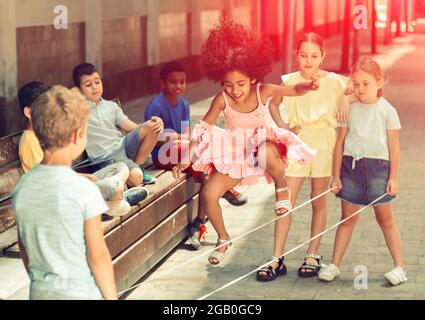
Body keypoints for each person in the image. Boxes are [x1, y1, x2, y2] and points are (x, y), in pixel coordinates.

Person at [173, 18, 318, 265]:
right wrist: (185, 159)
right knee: (209, 194)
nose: (235, 90)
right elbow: (203, 130)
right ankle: (223, 238)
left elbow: (293, 91)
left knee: (264, 151)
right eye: (228, 85)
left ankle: (281, 189)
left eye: (240, 84)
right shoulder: (222, 99)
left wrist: (307, 85)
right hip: (238, 152)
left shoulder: (264, 91)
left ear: (252, 78)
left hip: (265, 146)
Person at [257, 33, 350, 281]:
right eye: (304, 55)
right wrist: (283, 127)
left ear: (322, 57)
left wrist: (346, 100)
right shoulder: (289, 81)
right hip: (298, 143)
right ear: (296, 54)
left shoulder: (335, 81)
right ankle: (276, 257)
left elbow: (364, 88)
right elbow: (273, 104)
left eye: (314, 56)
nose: (309, 61)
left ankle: (313, 254)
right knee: (286, 200)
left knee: (318, 201)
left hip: (324, 143)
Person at [12, 86, 117, 299]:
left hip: (40, 292)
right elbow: (98, 257)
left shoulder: (21, 188)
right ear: (77, 135)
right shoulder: (84, 190)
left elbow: (25, 249)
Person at [318, 57, 407, 286]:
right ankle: (334, 265)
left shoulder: (388, 111)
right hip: (352, 168)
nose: (360, 89)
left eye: (366, 84)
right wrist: (336, 175)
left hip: (379, 170)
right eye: (356, 84)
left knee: (385, 220)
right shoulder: (348, 107)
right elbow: (339, 145)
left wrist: (393, 177)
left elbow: (394, 147)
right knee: (347, 219)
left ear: (379, 82)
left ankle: (400, 267)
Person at [144, 61, 248, 250]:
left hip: (182, 152)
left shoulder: (183, 104)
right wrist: (177, 138)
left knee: (206, 175)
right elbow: (151, 137)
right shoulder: (156, 104)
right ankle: (224, 189)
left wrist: (182, 139)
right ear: (163, 83)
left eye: (182, 82)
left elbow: (186, 133)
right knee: (202, 149)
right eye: (173, 82)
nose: (179, 86)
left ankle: (198, 225)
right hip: (163, 154)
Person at [17, 81, 148, 218]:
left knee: (121, 168)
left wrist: (85, 177)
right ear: (28, 112)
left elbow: (61, 172)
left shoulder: (46, 135)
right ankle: (117, 201)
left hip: (71, 184)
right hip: (60, 195)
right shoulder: (29, 141)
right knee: (113, 185)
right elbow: (50, 179)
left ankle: (111, 202)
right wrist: (82, 179)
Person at [72, 63, 164, 187]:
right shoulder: (78, 111)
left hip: (123, 146)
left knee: (152, 126)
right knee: (136, 178)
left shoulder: (111, 106)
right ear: (79, 90)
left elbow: (134, 128)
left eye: (97, 82)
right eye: (88, 85)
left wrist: (156, 123)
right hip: (105, 159)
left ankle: (138, 167)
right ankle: (135, 173)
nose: (94, 87)